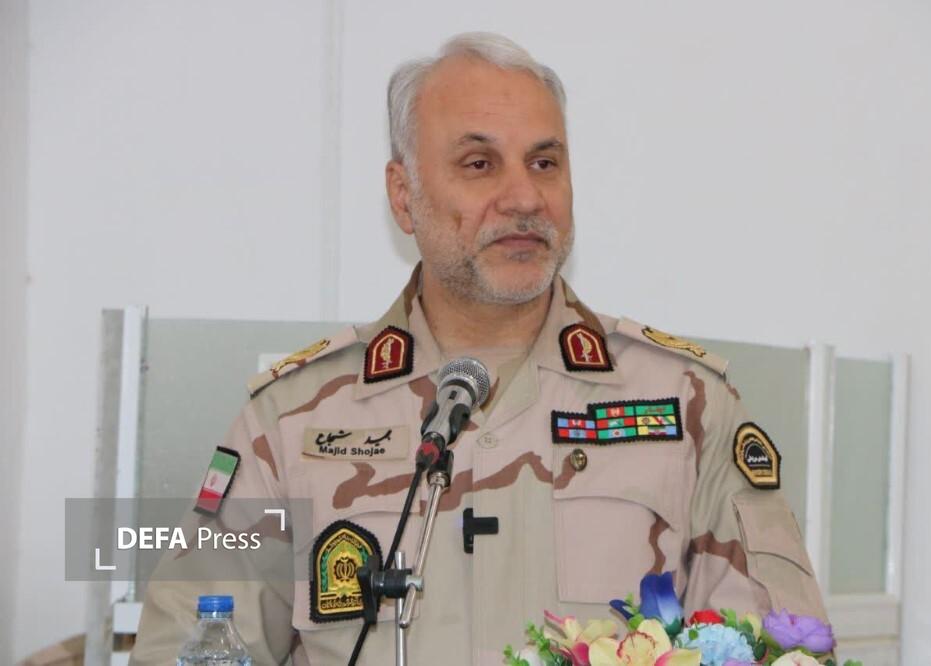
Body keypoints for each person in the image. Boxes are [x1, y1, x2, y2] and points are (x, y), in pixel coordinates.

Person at [131, 32, 826, 665]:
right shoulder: (291, 423)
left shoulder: (688, 407)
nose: (524, 196)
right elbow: (184, 648)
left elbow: (785, 649)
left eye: (544, 162)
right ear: (403, 196)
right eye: (479, 163)